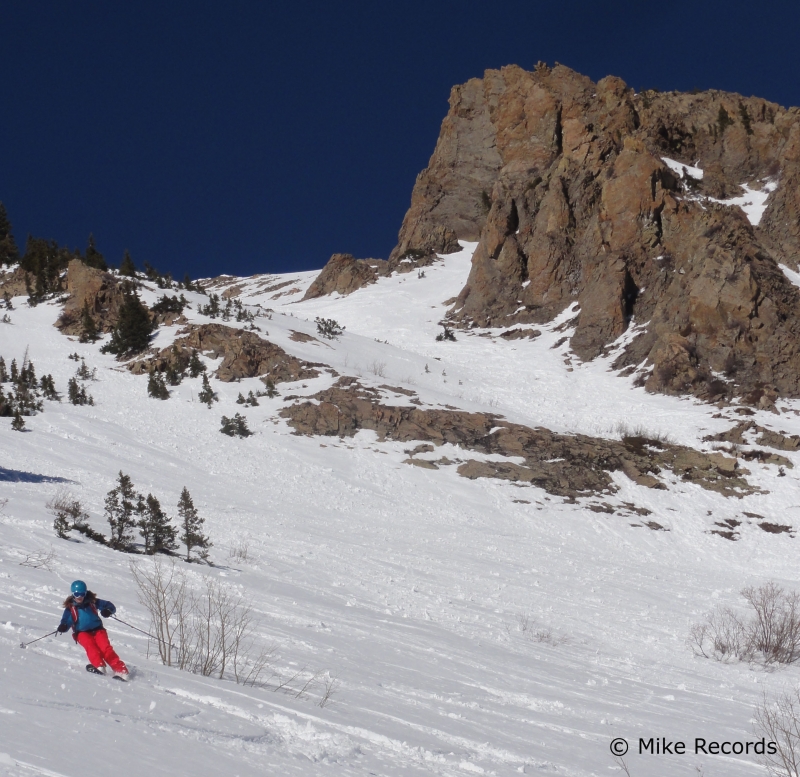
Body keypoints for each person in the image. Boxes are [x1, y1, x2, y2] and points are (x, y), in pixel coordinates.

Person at [57, 580, 129, 677]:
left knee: (106, 648)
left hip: (98, 630)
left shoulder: (92, 602)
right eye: (77, 594)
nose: (79, 597)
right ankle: (99, 666)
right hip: (82, 633)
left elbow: (109, 605)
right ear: (73, 594)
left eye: (82, 594)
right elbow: (66, 621)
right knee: (90, 646)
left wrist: (107, 611)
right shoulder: (71, 608)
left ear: (85, 593)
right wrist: (63, 626)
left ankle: (121, 670)